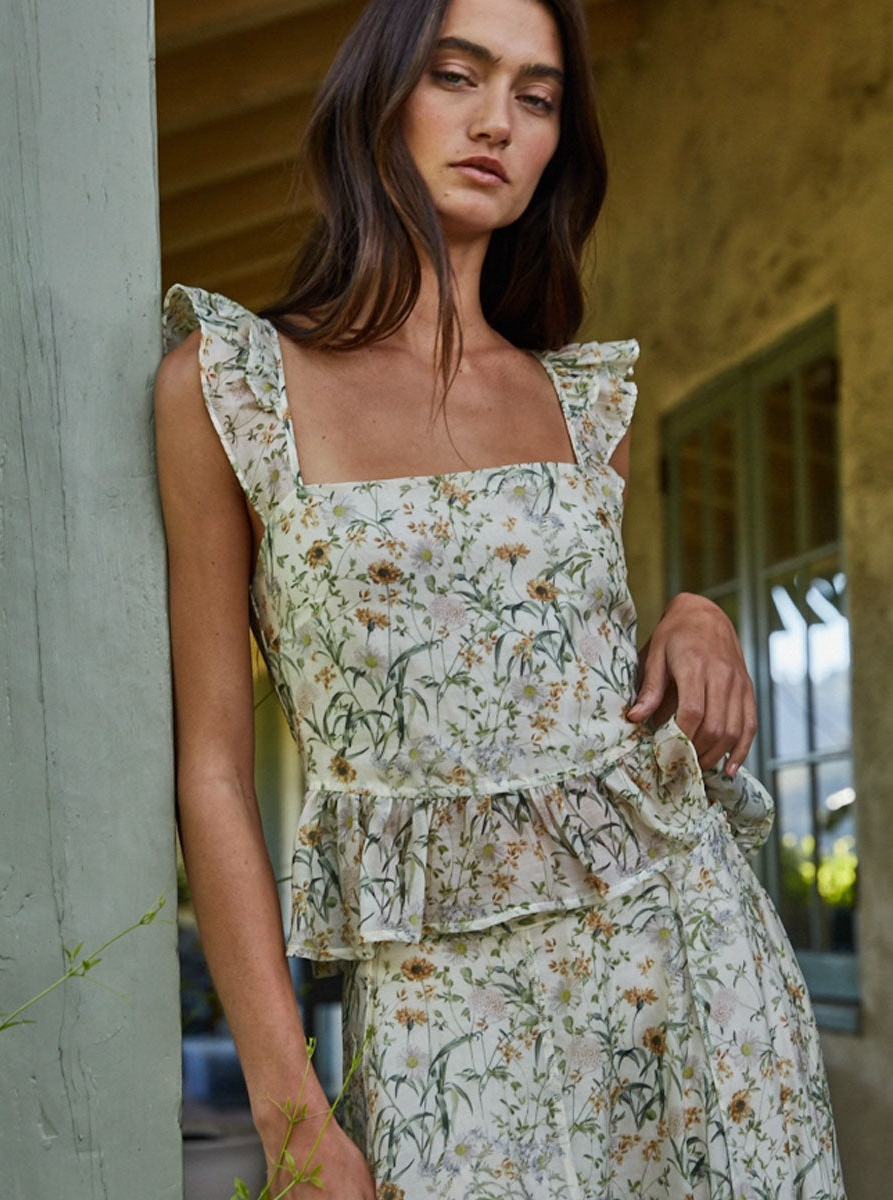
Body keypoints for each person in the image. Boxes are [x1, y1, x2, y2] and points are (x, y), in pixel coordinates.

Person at [155, 0, 844, 1196]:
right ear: (379, 97)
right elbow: (214, 769)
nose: (496, 123)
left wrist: (697, 614)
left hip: (695, 980)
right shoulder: (232, 388)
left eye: (536, 97)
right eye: (457, 76)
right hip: (444, 1030)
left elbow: (592, 684)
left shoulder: (585, 409)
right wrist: (293, 1118)